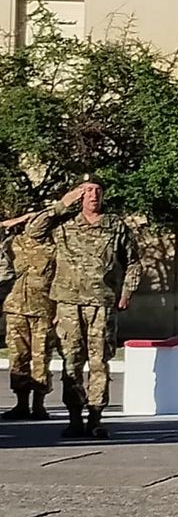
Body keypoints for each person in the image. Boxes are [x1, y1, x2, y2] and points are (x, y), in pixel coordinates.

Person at [26, 178, 140, 439]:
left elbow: (133, 262)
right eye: (87, 191)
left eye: (98, 191)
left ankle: (96, 418)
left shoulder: (115, 226)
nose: (93, 196)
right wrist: (62, 204)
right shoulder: (63, 224)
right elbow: (33, 231)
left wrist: (127, 292)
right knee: (71, 362)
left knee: (99, 362)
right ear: (78, 196)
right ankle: (74, 418)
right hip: (68, 304)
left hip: (101, 304)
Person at [2, 210, 54, 421]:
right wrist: (10, 222)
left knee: (41, 357)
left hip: (43, 309)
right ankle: (21, 404)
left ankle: (39, 406)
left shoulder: (54, 247)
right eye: (30, 221)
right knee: (18, 358)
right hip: (15, 308)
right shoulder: (12, 244)